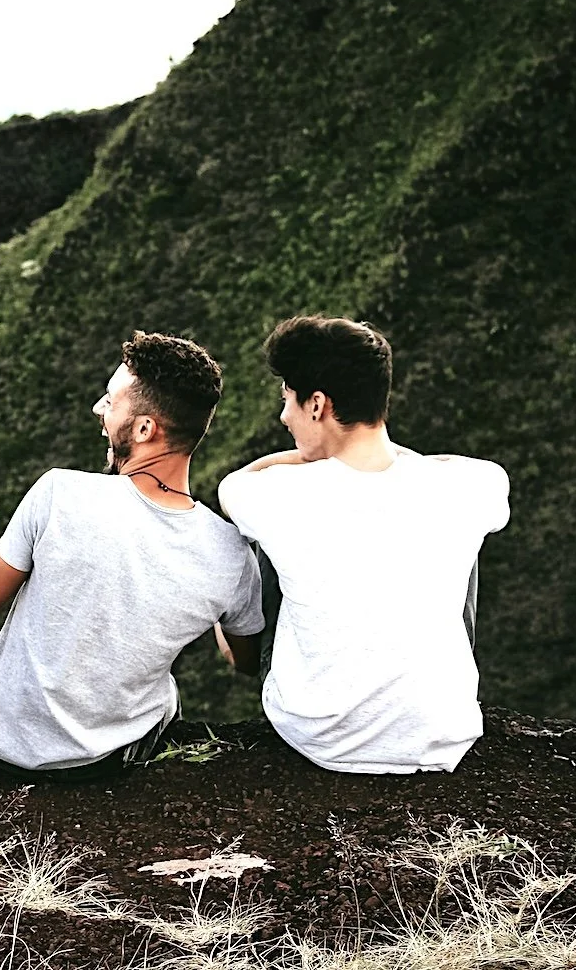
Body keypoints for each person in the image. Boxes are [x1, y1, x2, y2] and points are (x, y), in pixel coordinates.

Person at [0, 331, 265, 781]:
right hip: (109, 760)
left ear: (144, 429)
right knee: (167, 693)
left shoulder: (59, 492)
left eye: (109, 400)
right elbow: (244, 662)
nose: (98, 410)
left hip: (1, 745)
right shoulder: (230, 553)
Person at [217, 316, 509, 774]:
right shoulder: (469, 485)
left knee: (262, 542)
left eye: (287, 401)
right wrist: (393, 460)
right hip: (441, 735)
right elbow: (473, 471)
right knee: (456, 540)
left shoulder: (275, 494)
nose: (283, 417)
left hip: (321, 736)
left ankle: (246, 661)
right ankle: (421, 691)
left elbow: (233, 486)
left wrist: (309, 456)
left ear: (317, 404)